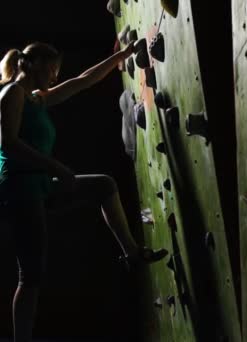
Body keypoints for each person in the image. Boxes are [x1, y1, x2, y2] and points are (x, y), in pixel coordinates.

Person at [0, 42, 168, 342]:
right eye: (50, 70)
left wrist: (124, 54)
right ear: (32, 64)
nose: (54, 77)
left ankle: (131, 253)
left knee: (104, 185)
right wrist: (56, 167)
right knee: (31, 275)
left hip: (38, 185)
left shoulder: (37, 98)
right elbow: (8, 143)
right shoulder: (12, 93)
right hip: (19, 189)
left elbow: (84, 80)